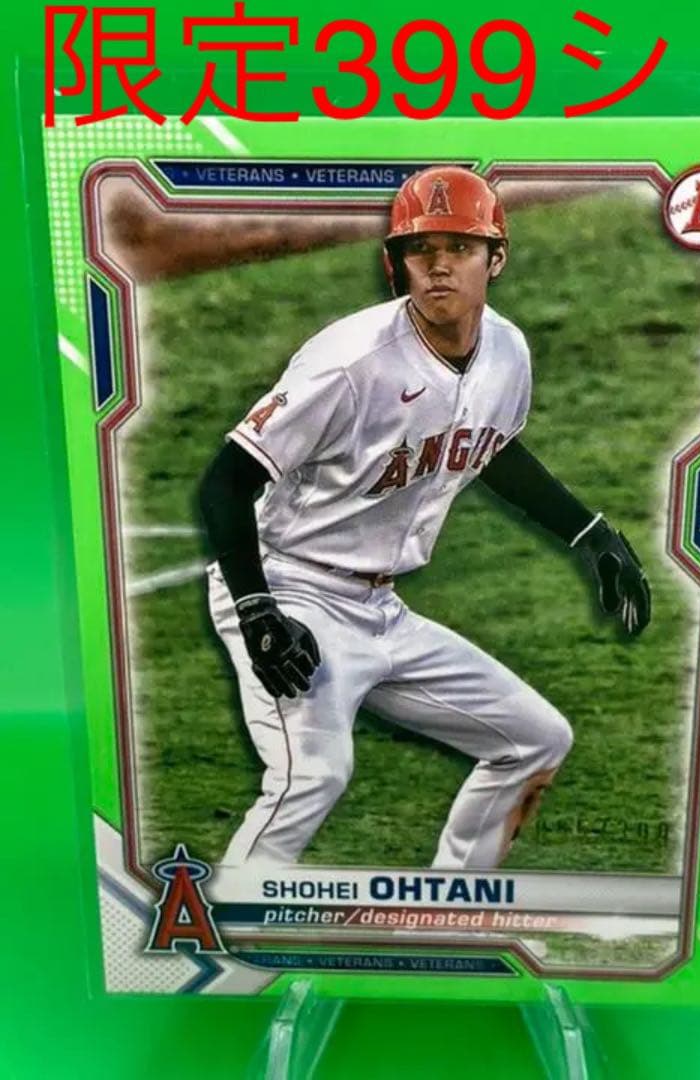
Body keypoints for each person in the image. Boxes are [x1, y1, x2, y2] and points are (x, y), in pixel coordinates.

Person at [199, 166, 651, 872]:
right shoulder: (350, 362)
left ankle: (446, 909)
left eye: (460, 247)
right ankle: (225, 927)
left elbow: (485, 445)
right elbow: (227, 481)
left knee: (535, 740)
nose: (439, 265)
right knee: (311, 776)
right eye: (421, 248)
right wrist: (258, 608)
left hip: (381, 609)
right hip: (291, 589)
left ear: (495, 259)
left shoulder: (506, 351)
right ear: (396, 264)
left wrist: (590, 536)